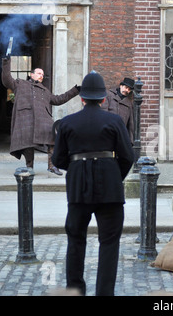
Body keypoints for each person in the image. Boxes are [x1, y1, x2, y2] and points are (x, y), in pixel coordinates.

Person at [51, 71, 134, 295]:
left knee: (76, 240)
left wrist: (79, 167)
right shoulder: (115, 121)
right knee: (109, 243)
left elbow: (58, 159)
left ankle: (76, 289)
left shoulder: (67, 123)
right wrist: (115, 176)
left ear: (82, 98)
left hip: (78, 189)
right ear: (103, 99)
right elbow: (128, 156)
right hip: (110, 189)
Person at [1, 56, 79, 175]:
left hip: (44, 119)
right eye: (38, 73)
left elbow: (59, 99)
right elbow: (6, 80)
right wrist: (6, 62)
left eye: (42, 74)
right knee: (27, 143)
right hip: (26, 118)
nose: (41, 75)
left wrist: (75, 90)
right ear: (32, 75)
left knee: (52, 140)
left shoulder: (45, 90)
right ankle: (29, 167)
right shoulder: (20, 84)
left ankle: (52, 166)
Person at [102, 77, 135, 144]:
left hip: (121, 136)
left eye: (129, 89)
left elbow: (131, 124)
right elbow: (103, 113)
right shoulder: (108, 95)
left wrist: (130, 141)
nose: (127, 90)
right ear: (121, 86)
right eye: (126, 87)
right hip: (108, 133)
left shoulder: (129, 103)